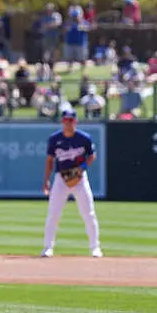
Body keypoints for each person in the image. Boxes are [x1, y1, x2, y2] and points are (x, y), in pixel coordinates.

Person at [40, 107, 102, 258]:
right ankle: (48, 247)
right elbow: (49, 160)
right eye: (66, 121)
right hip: (61, 178)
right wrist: (47, 180)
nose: (69, 124)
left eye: (71, 121)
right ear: (62, 122)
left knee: (88, 213)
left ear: (76, 122)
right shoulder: (55, 139)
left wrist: (82, 168)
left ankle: (95, 247)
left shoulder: (84, 138)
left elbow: (92, 155)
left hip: (79, 178)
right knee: (53, 214)